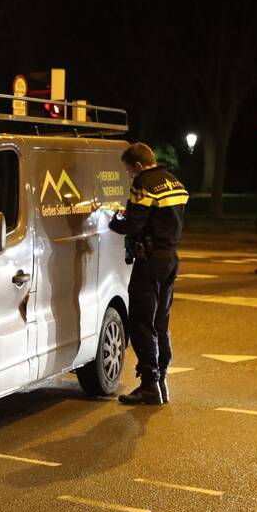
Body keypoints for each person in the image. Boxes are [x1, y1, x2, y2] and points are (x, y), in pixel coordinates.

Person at [109, 142, 188, 406]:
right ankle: (162, 377)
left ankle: (149, 385)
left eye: (129, 171)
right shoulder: (173, 181)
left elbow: (134, 224)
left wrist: (114, 220)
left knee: (141, 321)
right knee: (160, 321)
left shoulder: (143, 183)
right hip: (170, 258)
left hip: (150, 260)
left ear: (139, 165)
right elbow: (161, 217)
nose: (130, 176)